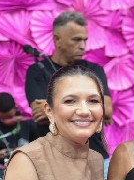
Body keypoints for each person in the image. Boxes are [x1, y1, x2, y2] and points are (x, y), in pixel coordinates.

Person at [25, 11, 113, 162]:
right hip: (54, 160)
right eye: (77, 40)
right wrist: (92, 109)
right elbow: (41, 114)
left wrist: (59, 110)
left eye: (85, 40)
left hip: (95, 157)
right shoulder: (37, 70)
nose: (83, 46)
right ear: (57, 39)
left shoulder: (95, 70)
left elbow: (108, 109)